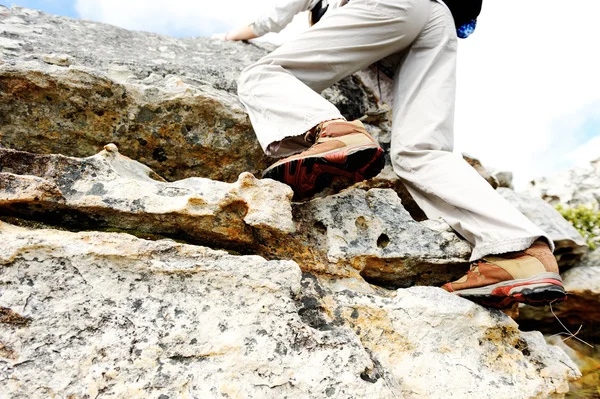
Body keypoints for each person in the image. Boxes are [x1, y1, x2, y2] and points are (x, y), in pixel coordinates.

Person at [215, 0, 567, 309]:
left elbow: (276, 15)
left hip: (387, 8)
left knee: (261, 75)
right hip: (437, 18)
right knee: (421, 153)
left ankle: (336, 134)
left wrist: (234, 36)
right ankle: (519, 253)